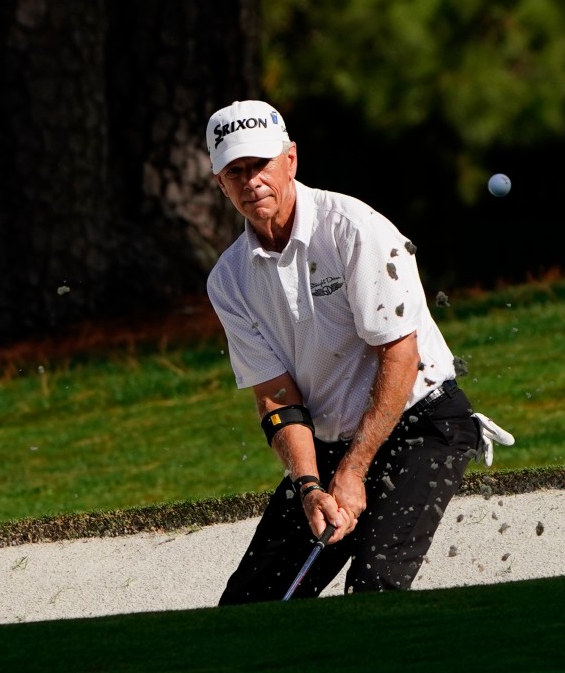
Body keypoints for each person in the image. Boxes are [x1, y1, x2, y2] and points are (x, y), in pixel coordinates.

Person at [203, 100, 514, 603]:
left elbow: (400, 356)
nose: (250, 181)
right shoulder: (229, 279)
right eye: (234, 171)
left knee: (373, 589)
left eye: (259, 165)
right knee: (249, 606)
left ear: (291, 160)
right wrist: (310, 487)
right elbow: (276, 395)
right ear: (220, 182)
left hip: (422, 425)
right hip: (328, 445)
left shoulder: (353, 228)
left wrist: (352, 471)